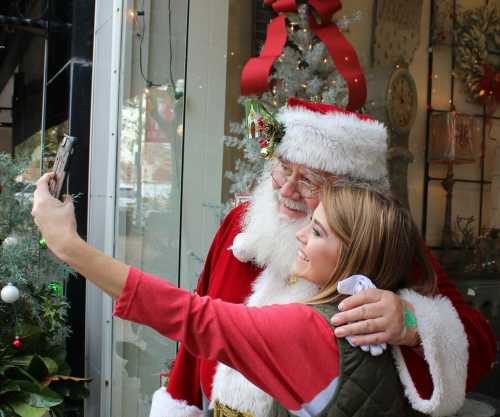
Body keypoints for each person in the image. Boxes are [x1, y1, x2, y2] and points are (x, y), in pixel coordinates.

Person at [34, 99, 495, 417]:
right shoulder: (243, 222)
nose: (288, 191)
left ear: (355, 198)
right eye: (282, 168)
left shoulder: (382, 243)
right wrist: (181, 400)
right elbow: (200, 323)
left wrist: (411, 321)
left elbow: (475, 343)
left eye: (311, 179)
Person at [34, 174, 447, 417]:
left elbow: (189, 316)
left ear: (356, 253)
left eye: (318, 231)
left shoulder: (308, 327)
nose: (300, 233)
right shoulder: (380, 313)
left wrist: (67, 244)